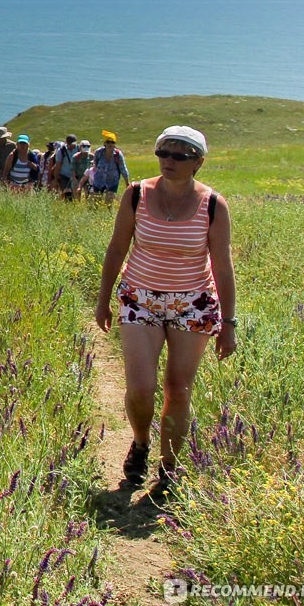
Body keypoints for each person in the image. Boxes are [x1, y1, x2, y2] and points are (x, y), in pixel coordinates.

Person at [95, 126, 237, 503]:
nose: (170, 160)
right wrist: (103, 298)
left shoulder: (212, 205)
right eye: (164, 152)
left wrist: (228, 323)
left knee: (178, 389)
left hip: (194, 303)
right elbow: (116, 249)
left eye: (181, 155)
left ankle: (169, 467)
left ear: (198, 163)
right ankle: (141, 442)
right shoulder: (137, 194)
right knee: (140, 389)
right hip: (140, 298)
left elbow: (223, 267)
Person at [91, 132, 131, 197]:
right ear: (104, 143)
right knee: (96, 200)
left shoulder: (118, 155)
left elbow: (123, 168)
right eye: (108, 142)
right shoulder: (98, 152)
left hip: (112, 181)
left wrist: (127, 182)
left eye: (112, 142)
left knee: (109, 202)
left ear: (114, 144)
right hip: (99, 181)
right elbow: (95, 164)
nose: (110, 144)